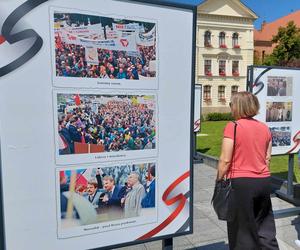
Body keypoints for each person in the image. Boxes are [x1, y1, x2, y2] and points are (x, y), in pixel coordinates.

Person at [216, 91, 279, 250]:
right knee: (265, 225)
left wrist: (219, 180)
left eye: (231, 104)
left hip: (241, 184)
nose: (230, 108)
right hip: (263, 181)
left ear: (237, 107)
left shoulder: (233, 127)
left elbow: (225, 160)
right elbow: (267, 158)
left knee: (242, 230)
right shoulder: (265, 128)